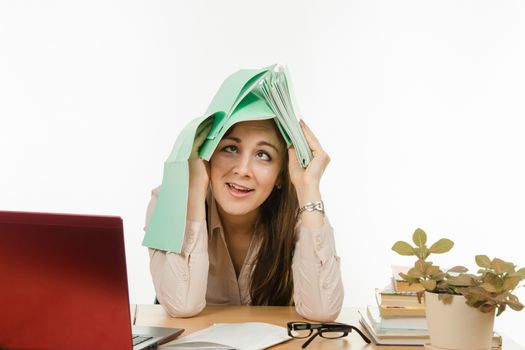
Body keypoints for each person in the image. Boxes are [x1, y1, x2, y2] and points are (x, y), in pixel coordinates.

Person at [146, 118, 343, 321]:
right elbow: (182, 305)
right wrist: (195, 186)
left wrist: (308, 187)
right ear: (208, 155)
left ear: (280, 175)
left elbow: (322, 312)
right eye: (230, 148)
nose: (242, 170)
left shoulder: (302, 213)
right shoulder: (168, 203)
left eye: (263, 155)